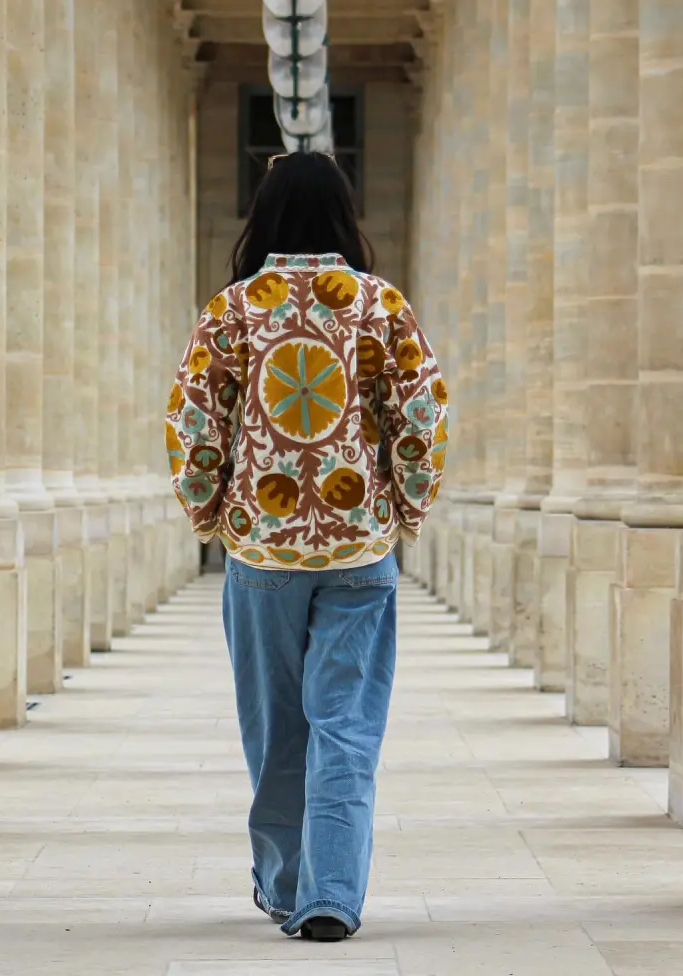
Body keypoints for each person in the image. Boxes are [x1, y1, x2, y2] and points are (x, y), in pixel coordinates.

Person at [165, 151, 447, 942]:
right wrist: (406, 506)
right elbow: (423, 414)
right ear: (344, 216)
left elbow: (192, 420)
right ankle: (333, 894)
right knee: (347, 728)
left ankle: (287, 885)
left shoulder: (232, 310)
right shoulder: (381, 304)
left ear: (264, 215)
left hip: (261, 551)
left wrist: (210, 513)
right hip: (359, 549)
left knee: (276, 730)